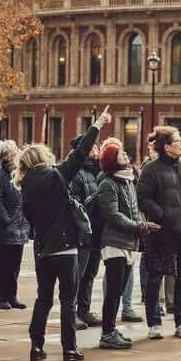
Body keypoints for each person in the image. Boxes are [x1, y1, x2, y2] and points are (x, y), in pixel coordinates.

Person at [18, 107, 112, 361]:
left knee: (43, 299)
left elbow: (29, 219)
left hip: (42, 247)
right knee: (68, 300)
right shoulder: (57, 175)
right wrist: (97, 125)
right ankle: (69, 349)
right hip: (66, 246)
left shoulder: (24, 185)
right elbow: (80, 153)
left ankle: (36, 347)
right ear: (43, 157)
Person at [137, 126, 181, 340]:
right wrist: (162, 215)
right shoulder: (151, 169)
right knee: (155, 277)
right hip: (162, 232)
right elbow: (143, 198)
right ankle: (154, 324)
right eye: (178, 141)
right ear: (167, 147)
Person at [96, 142, 158, 349]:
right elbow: (113, 216)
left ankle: (111, 330)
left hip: (129, 242)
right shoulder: (107, 183)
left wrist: (140, 226)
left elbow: (134, 209)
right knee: (114, 291)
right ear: (113, 160)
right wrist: (139, 227)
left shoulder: (129, 180)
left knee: (120, 289)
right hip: (113, 242)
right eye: (120, 153)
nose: (125, 153)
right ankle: (106, 334)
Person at [0, 140, 29, 310]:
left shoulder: (19, 174)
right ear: (6, 159)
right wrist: (6, 219)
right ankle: (1, 297)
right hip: (5, 227)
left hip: (19, 225)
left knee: (15, 264)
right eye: (13, 155)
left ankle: (12, 296)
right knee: (4, 264)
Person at [69, 137, 103, 330]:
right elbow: (75, 204)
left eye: (97, 146)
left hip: (97, 230)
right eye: (92, 147)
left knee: (90, 273)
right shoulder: (76, 173)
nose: (96, 150)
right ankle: (71, 312)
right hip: (83, 232)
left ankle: (84, 309)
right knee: (78, 274)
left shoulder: (97, 171)